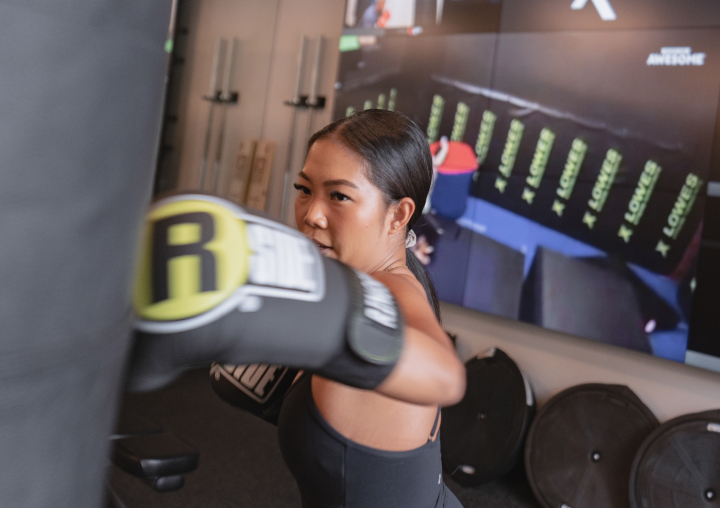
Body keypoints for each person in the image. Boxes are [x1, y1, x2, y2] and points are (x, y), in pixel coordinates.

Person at [277, 110, 465, 508]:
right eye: (304, 188)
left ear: (398, 215)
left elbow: (438, 370)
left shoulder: (391, 298)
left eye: (339, 195)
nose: (311, 213)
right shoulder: (353, 283)